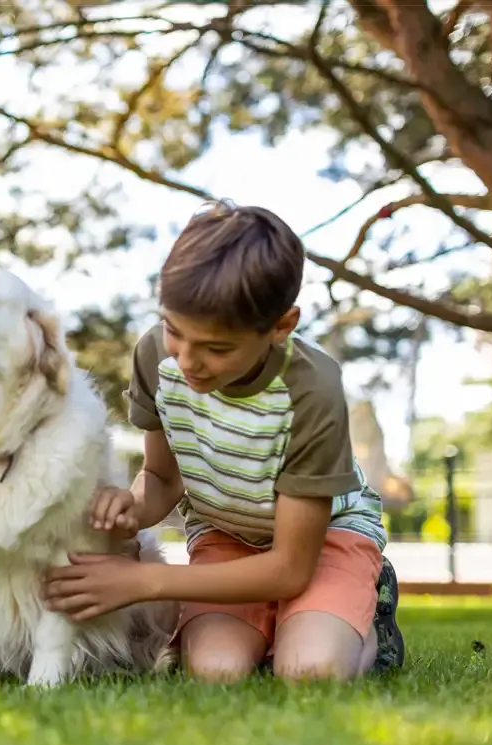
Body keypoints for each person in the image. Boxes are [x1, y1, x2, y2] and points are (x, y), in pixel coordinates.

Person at [42, 202, 405, 682]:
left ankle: (362, 609)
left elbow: (292, 567)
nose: (189, 361)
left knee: (310, 670)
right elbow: (161, 478)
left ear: (281, 326)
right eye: (175, 331)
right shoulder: (155, 354)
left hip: (322, 542)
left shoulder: (311, 387)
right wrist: (128, 507)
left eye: (218, 348)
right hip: (226, 535)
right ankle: (290, 623)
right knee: (216, 671)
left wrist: (143, 581)